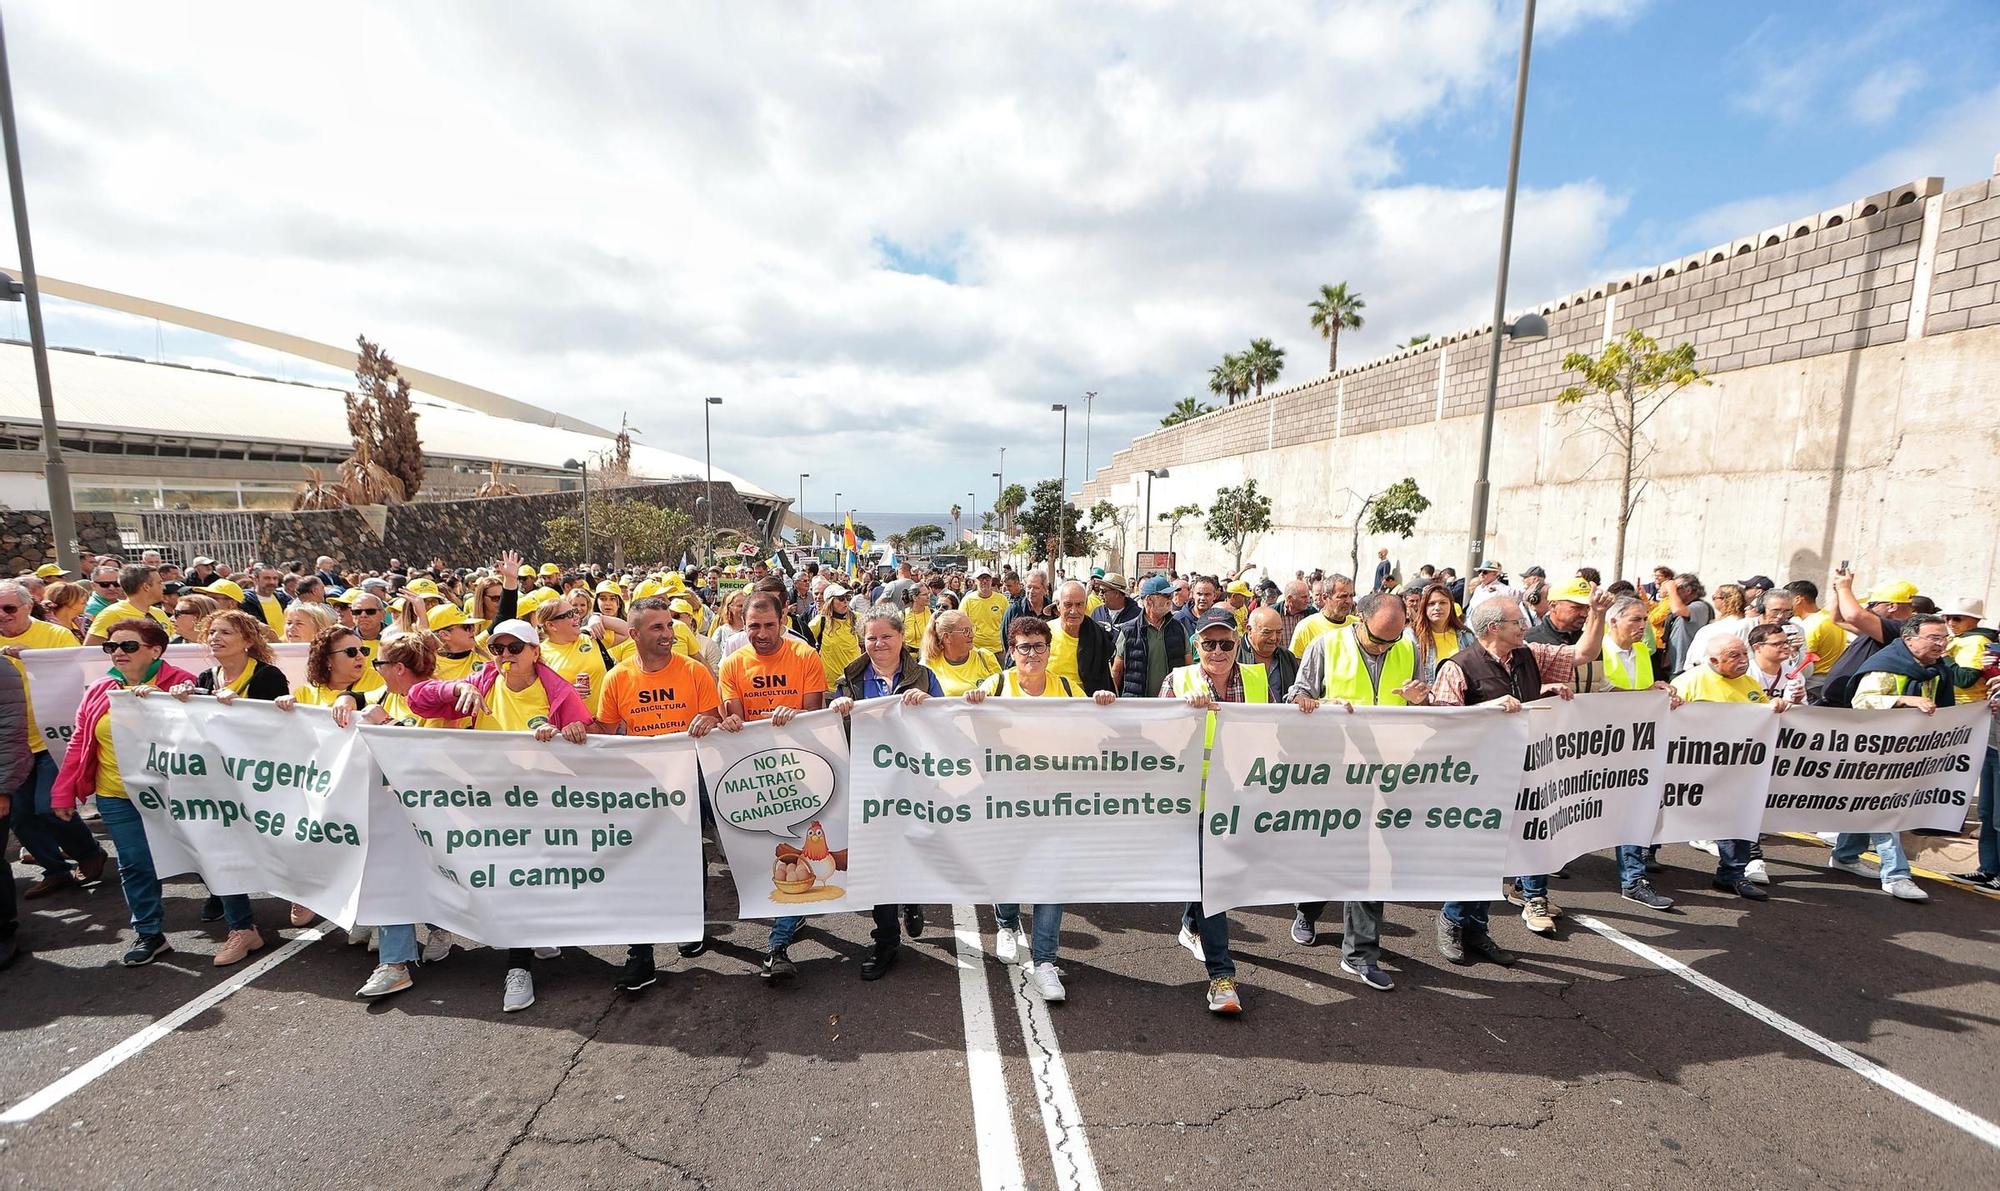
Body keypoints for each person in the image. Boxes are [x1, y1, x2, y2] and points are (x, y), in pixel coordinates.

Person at [405, 617, 591, 1011]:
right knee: (509, 882)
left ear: (535, 652)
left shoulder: (556, 691)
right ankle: (520, 960)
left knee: (526, 881)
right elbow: (416, 698)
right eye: (497, 648)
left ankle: (519, 962)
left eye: (515, 648)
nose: (505, 656)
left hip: (539, 805)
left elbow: (584, 742)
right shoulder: (480, 683)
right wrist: (455, 687)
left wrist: (569, 734)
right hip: (486, 804)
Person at [1431, 593, 1605, 957]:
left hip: (1522, 772)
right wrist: (1486, 708)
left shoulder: (1528, 655)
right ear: (1494, 628)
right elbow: (1443, 726)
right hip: (1475, 779)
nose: (1525, 626)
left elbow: (1583, 654)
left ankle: (1476, 929)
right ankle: (1452, 919)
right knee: (1476, 854)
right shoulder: (1457, 667)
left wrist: (1599, 614)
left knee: (1502, 856)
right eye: (1516, 623)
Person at [964, 615, 1118, 1002]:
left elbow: (1094, 733)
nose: (1032, 654)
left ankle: (1045, 962)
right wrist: (970, 705)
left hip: (1054, 802)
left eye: (1039, 646)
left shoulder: (1067, 688)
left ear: (1049, 650)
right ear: (1011, 652)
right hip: (1004, 799)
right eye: (1024, 647)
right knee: (1008, 865)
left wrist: (1102, 706)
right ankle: (1007, 923)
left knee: (1052, 875)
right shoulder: (995, 685)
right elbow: (960, 727)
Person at [1285, 591, 1430, 972]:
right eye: (1379, 639)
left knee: (1372, 860)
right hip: (1335, 772)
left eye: (1394, 639)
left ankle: (1360, 953)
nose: (1385, 647)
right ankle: (1308, 908)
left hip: (1387, 772)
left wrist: (1419, 699)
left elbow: (1423, 702)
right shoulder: (1325, 646)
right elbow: (1296, 698)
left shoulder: (1408, 649)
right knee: (1327, 852)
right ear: (1359, 620)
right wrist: (1321, 708)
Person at [592, 596, 725, 992]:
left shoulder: (694, 671)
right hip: (641, 785)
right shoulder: (618, 677)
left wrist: (708, 719)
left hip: (688, 777)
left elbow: (714, 715)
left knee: (688, 854)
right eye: (657, 628)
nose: (668, 634)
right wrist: (572, 734)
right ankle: (641, 951)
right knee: (640, 862)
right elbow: (605, 728)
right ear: (633, 634)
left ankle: (691, 922)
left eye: (669, 626)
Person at [48, 619, 200, 966]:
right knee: (134, 863)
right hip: (115, 794)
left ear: (155, 651)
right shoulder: (101, 688)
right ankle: (149, 933)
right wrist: (63, 793)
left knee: (198, 853)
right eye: (111, 647)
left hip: (171, 794)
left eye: (128, 646)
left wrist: (170, 701)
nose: (118, 652)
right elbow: (80, 741)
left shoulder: (180, 683)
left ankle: (228, 904)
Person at [1165, 606, 1291, 1014]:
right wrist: (1182, 710)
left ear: (1238, 643)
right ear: (1195, 645)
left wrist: (1312, 708)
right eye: (1208, 643)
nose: (1217, 651)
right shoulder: (1179, 680)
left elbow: (1275, 728)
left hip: (1238, 797)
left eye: (1225, 643)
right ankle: (1222, 977)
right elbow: (1157, 739)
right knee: (1211, 880)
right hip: (1192, 799)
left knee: (1206, 879)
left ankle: (1190, 924)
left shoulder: (1256, 679)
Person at [717, 591, 829, 982]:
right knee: (767, 856)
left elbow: (815, 715)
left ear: (783, 621)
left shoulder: (804, 657)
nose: (761, 634)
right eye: (753, 626)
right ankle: (789, 920)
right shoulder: (731, 664)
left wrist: (796, 714)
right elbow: (736, 720)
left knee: (795, 857)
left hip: (803, 770)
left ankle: (777, 945)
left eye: (768, 625)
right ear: (741, 625)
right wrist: (730, 723)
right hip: (756, 776)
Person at [827, 606, 939, 980]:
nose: (878, 644)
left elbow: (946, 725)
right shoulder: (851, 680)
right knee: (877, 861)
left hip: (914, 783)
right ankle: (887, 941)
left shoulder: (924, 677)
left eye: (886, 636)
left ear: (902, 638)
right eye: (871, 638)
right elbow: (835, 730)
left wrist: (929, 706)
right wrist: (838, 708)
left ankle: (912, 898)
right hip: (870, 787)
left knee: (912, 849)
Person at [1827, 615, 1967, 903]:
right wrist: (1904, 700)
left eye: (1943, 638)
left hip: (1909, 752)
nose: (1940, 645)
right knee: (1885, 808)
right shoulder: (1886, 667)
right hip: (1874, 753)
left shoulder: (1938, 669)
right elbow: (1862, 702)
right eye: (1934, 638)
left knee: (1871, 806)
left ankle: (1845, 855)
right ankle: (1896, 874)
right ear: (1909, 639)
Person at [0, 582, 107, 902]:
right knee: (20, 816)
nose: (2, 616)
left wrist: (36, 659)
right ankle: (55, 870)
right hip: (12, 743)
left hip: (50, 737)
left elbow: (74, 675)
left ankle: (89, 853)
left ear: (27, 607)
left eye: (8, 609)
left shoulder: (55, 635)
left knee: (48, 806)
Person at [1672, 635, 1788, 902]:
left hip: (1734, 768)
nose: (1743, 661)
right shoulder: (1690, 681)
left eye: (1743, 654)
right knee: (1665, 811)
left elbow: (1762, 717)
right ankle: (1646, 857)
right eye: (1734, 656)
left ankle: (1732, 873)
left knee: (1736, 818)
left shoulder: (1749, 683)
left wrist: (1775, 707)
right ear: (1713, 660)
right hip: (1690, 767)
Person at [1593, 595, 1680, 909]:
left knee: (1633, 809)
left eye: (1644, 619)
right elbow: (1604, 692)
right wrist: (1646, 695)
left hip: (1635, 746)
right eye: (1635, 619)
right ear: (1613, 621)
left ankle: (1634, 879)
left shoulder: (1643, 650)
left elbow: (1643, 691)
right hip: (1596, 748)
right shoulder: (1597, 650)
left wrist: (1660, 689)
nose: (1643, 626)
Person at [1111, 575, 1189, 698]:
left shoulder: (1179, 629)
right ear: (1149, 600)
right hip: (1138, 706)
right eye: (1166, 596)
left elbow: (1188, 668)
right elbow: (1117, 671)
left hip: (1171, 705)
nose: (1171, 599)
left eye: (1171, 595)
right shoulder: (1128, 631)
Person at [533, 597, 609, 717]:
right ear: (551, 625)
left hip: (606, 720)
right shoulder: (538, 653)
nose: (577, 616)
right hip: (570, 727)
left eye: (575, 612)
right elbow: (537, 696)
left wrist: (597, 617)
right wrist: (566, 693)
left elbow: (626, 631)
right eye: (569, 614)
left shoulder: (589, 636)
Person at [1047, 580, 1117, 694]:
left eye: (1079, 604)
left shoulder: (1098, 636)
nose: (1074, 611)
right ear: (1058, 605)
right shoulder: (1044, 633)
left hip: (1087, 705)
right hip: (1051, 703)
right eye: (1068, 605)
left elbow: (1106, 677)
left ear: (1085, 606)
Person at [1786, 579, 1848, 701]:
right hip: (1828, 680)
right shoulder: (1828, 617)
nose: (1784, 606)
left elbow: (1804, 661)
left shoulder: (1811, 626)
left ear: (1798, 599)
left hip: (1812, 684)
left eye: (1786, 600)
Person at [83, 563, 174, 645]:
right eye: (160, 583)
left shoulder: (159, 613)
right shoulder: (112, 614)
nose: (164, 587)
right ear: (146, 587)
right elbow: (90, 650)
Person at [920, 610, 1000, 696]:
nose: (971, 635)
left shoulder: (985, 657)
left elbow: (1002, 691)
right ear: (947, 637)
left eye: (971, 629)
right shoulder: (928, 664)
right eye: (965, 631)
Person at [1410, 582, 1473, 683]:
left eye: (1443, 602)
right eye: (1431, 604)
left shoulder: (1466, 635)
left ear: (1451, 605)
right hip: (1427, 696)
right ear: (1423, 607)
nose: (1437, 608)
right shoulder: (1412, 636)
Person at [1287, 574, 1355, 656]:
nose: (1348, 601)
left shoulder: (1358, 625)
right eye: (1342, 596)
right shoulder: (1306, 627)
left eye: (1351, 596)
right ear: (1325, 597)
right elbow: (1295, 663)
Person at [1238, 606, 1299, 696]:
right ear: (1249, 630)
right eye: (1267, 632)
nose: (1274, 638)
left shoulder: (1287, 657)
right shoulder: (1233, 655)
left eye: (1278, 632)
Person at [808, 584, 861, 686]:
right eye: (841, 598)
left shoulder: (856, 618)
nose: (845, 601)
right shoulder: (820, 622)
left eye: (848, 597)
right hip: (831, 685)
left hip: (855, 681)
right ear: (830, 602)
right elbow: (804, 646)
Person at [1663, 573, 1714, 677]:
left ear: (1688, 590)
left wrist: (1671, 589)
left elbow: (1677, 610)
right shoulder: (1686, 606)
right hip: (1675, 667)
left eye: (1677, 588)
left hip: (1686, 669)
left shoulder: (1700, 606)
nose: (1672, 592)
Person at [962, 567, 1010, 653]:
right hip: (975, 650)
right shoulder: (967, 600)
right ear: (975, 581)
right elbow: (961, 624)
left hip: (998, 650)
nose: (984, 581)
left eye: (987, 579)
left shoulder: (1002, 600)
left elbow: (1009, 623)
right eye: (981, 579)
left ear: (991, 581)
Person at [1003, 569, 1053, 643]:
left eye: (1036, 588)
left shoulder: (1053, 611)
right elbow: (1006, 639)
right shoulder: (1014, 610)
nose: (1031, 591)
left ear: (1045, 589)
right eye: (1029, 587)